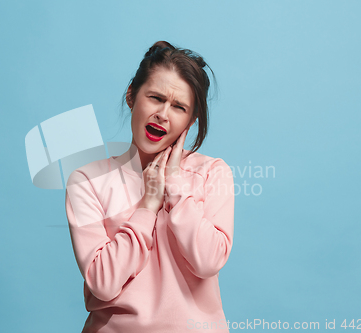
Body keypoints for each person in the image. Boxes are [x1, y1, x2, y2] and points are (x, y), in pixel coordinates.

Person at [65, 41, 235, 333]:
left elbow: (207, 262)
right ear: (132, 96)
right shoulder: (87, 180)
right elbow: (104, 283)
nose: (163, 114)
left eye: (179, 107)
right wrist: (147, 207)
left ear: (190, 122)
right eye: (156, 98)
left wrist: (177, 187)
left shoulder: (212, 173)